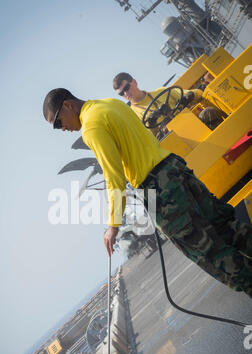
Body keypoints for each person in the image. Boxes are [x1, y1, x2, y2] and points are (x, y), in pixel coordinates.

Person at [42, 88, 252, 297]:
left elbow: (113, 178)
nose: (62, 129)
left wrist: (113, 226)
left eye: (58, 122)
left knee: (208, 251)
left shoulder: (90, 128)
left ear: (68, 105)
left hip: (158, 189)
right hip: (174, 167)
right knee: (227, 226)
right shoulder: (110, 104)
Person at [112, 72, 203, 133]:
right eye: (121, 94)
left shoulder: (162, 91)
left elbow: (198, 94)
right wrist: (152, 124)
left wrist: (188, 97)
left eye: (126, 88)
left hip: (191, 121)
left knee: (208, 112)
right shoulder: (132, 116)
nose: (126, 93)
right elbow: (148, 141)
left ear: (135, 82)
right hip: (172, 142)